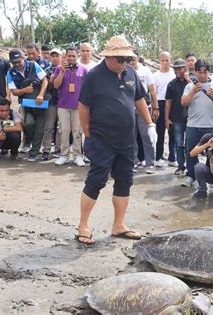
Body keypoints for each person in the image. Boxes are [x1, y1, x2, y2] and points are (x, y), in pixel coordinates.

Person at [76, 35, 157, 245]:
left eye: (127, 59)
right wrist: (88, 133)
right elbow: (83, 106)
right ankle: (83, 225)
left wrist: (150, 125)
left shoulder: (130, 72)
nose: (124, 64)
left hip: (127, 140)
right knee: (96, 181)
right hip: (102, 138)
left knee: (124, 180)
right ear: (109, 58)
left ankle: (118, 225)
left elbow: (139, 98)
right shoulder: (94, 76)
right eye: (120, 60)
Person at [181, 59, 213, 187]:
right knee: (190, 151)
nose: (202, 75)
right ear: (195, 72)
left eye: (205, 72)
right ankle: (190, 175)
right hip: (192, 125)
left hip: (210, 126)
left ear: (209, 72)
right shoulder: (189, 86)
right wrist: (193, 91)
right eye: (199, 72)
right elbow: (183, 103)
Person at [7, 48, 48, 162]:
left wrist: (40, 95)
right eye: (14, 62)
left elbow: (45, 80)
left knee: (39, 128)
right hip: (25, 104)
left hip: (40, 103)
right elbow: (14, 91)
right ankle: (28, 141)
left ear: (23, 59)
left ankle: (34, 152)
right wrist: (24, 90)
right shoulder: (10, 72)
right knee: (28, 123)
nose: (17, 64)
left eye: (18, 61)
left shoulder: (33, 65)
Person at [52, 47, 88, 167]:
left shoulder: (83, 69)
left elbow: (88, 87)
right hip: (63, 105)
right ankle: (64, 155)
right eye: (69, 56)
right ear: (65, 56)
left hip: (79, 106)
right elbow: (56, 85)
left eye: (73, 56)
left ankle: (78, 155)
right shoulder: (58, 69)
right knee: (64, 131)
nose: (71, 58)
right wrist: (62, 72)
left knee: (77, 131)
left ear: (77, 56)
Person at [129, 48, 158, 174]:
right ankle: (133, 163)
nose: (132, 60)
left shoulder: (145, 70)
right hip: (129, 109)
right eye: (130, 58)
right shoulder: (126, 70)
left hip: (144, 108)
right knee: (132, 138)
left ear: (138, 57)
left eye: (134, 57)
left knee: (147, 137)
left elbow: (152, 90)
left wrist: (156, 107)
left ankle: (150, 163)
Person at [165, 59, 190, 176]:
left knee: (190, 144)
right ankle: (181, 165)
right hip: (177, 118)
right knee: (179, 143)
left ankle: (191, 167)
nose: (178, 70)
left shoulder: (192, 80)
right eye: (176, 68)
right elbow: (168, 102)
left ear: (185, 68)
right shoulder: (171, 84)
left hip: (191, 118)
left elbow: (197, 91)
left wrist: (188, 79)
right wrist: (166, 118)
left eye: (180, 68)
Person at [153, 51, 176, 167]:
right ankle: (158, 157)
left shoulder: (173, 74)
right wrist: (155, 108)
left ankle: (173, 157)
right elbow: (154, 93)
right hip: (160, 104)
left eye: (167, 60)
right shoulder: (156, 75)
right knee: (160, 133)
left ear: (170, 60)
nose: (165, 63)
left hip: (173, 104)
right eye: (163, 60)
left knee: (173, 133)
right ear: (159, 61)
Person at [42, 48, 62, 160]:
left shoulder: (67, 69)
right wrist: (52, 79)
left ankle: (58, 149)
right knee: (48, 126)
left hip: (63, 101)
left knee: (60, 127)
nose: (55, 58)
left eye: (57, 56)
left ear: (61, 57)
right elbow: (46, 87)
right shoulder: (46, 70)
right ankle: (46, 150)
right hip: (51, 101)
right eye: (53, 56)